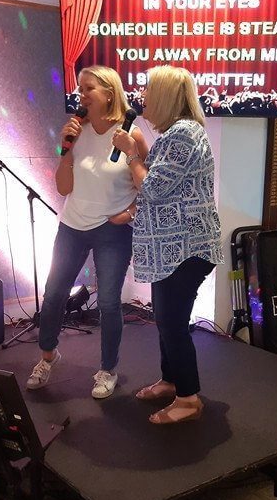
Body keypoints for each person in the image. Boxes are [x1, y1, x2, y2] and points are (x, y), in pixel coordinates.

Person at [26, 65, 148, 398]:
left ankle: (107, 369)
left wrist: (131, 212)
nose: (81, 95)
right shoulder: (75, 132)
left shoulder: (131, 134)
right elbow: (63, 188)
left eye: (88, 88)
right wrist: (65, 149)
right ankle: (47, 356)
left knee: (108, 302)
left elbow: (148, 186)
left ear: (109, 93)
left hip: (112, 229)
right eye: (80, 89)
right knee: (54, 294)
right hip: (72, 225)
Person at [112, 66, 223, 424]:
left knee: (172, 321)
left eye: (148, 90)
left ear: (165, 96)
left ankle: (188, 398)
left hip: (186, 248)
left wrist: (131, 154)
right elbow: (162, 180)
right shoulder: (176, 133)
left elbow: (153, 187)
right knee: (165, 318)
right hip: (172, 249)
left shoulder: (184, 135)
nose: (142, 96)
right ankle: (171, 380)